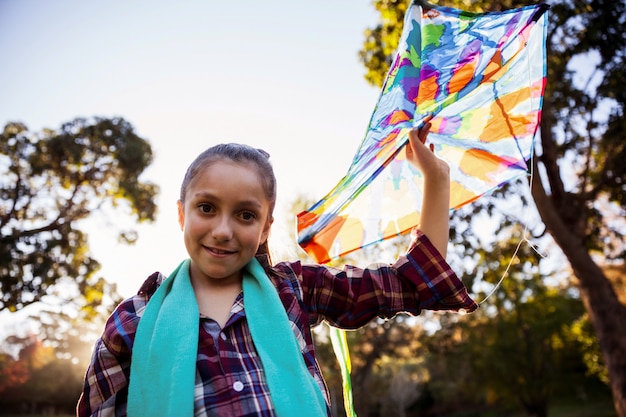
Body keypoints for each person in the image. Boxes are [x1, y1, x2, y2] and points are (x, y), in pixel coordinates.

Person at [77, 121, 478, 417]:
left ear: (266, 226)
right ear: (181, 213)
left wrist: (436, 179)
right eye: (206, 208)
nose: (222, 230)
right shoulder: (133, 322)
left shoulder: (294, 289)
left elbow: (411, 283)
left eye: (246, 215)